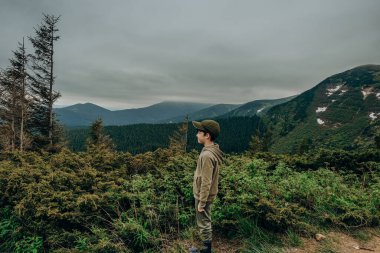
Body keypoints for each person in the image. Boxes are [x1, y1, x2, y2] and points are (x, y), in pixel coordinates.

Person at [191, 119, 223, 253]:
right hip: (206, 195)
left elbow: (206, 181)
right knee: (205, 221)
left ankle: (205, 251)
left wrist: (202, 203)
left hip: (203, 196)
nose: (196, 134)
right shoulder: (212, 150)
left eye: (199, 132)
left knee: (203, 223)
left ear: (207, 135)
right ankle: (206, 249)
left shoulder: (207, 155)